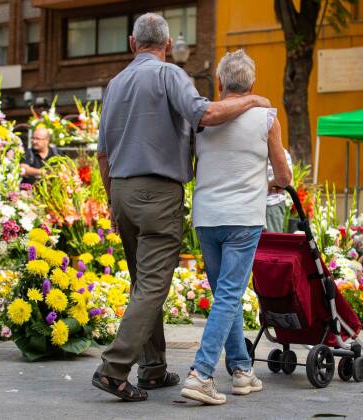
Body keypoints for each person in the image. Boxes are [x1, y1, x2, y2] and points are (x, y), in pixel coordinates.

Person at [93, 13, 272, 402]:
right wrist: (253, 100)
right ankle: (114, 368)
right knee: (154, 285)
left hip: (121, 189)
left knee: (143, 284)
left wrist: (112, 196)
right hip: (159, 193)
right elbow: (204, 115)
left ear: (131, 42)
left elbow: (103, 154)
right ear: (168, 45)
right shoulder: (169, 75)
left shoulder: (115, 84)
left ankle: (154, 368)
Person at [180, 50, 292, 405]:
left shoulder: (204, 117)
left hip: (207, 216)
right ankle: (201, 373)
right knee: (229, 296)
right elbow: (285, 175)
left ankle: (242, 370)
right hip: (244, 217)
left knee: (223, 297)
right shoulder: (267, 119)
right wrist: (270, 183)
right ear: (253, 84)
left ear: (219, 82)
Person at [265, 148, 292, 232]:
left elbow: (288, 181)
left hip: (272, 203)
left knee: (271, 241)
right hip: (254, 204)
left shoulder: (283, 153)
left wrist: (270, 185)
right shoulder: (256, 149)